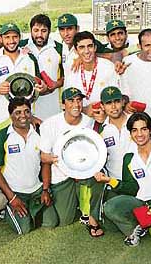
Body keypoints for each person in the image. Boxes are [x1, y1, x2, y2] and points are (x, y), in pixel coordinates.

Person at [96, 112, 151, 258]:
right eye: (135, 130)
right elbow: (131, 188)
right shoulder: (129, 157)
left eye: (143, 129)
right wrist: (109, 180)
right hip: (141, 204)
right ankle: (139, 227)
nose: (140, 134)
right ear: (130, 134)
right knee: (110, 207)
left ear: (150, 130)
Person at [0, 97, 57, 234]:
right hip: (14, 192)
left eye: (26, 111)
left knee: (51, 223)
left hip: (36, 190)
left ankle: (31, 209)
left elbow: (45, 163)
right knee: (24, 230)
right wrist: (12, 198)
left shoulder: (40, 134)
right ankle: (6, 208)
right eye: (18, 112)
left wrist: (45, 189)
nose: (23, 116)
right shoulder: (2, 136)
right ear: (11, 115)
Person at [40, 88, 94, 226]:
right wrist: (62, 161)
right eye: (71, 100)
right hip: (61, 176)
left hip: (83, 173)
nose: (76, 104)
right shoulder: (50, 124)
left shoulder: (90, 122)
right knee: (65, 220)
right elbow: (44, 157)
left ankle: (84, 206)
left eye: (79, 100)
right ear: (63, 105)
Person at [0, 22, 44, 130]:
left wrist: (43, 88)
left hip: (26, 120)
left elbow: (39, 87)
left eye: (15, 37)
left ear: (20, 37)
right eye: (7, 37)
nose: (11, 41)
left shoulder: (30, 58)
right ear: (1, 38)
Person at [89, 86, 133, 235]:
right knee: (110, 225)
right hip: (113, 183)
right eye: (108, 103)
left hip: (137, 181)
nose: (113, 107)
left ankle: (137, 223)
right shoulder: (100, 129)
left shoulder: (135, 122)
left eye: (116, 101)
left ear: (123, 102)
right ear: (102, 106)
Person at [19, 14, 64, 120]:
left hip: (52, 110)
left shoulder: (59, 49)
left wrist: (54, 85)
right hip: (26, 112)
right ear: (30, 30)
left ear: (49, 31)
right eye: (36, 30)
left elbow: (67, 76)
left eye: (44, 31)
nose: (39, 34)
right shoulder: (20, 46)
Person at [64, 31, 118, 118]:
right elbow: (67, 102)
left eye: (90, 46)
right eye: (81, 47)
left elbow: (117, 98)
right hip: (80, 121)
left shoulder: (108, 67)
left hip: (106, 119)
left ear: (95, 47)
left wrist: (104, 111)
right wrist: (84, 110)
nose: (86, 51)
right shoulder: (71, 69)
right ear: (76, 50)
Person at [57, 13, 79, 78]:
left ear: (77, 29)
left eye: (69, 29)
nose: (66, 33)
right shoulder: (61, 47)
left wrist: (84, 56)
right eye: (62, 29)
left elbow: (109, 55)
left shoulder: (85, 44)